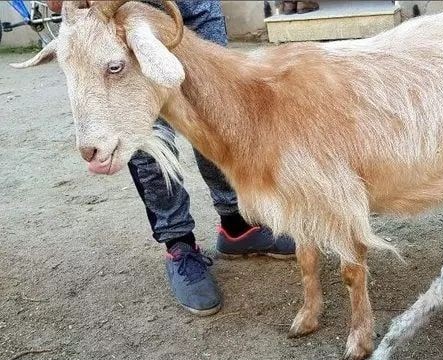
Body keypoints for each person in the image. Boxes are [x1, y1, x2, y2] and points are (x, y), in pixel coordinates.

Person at [48, 0, 295, 316]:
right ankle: (179, 244)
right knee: (146, 132)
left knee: (217, 114)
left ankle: (237, 227)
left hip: (193, 6)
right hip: (117, 13)